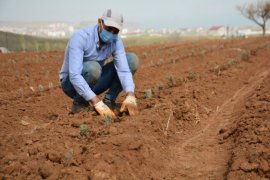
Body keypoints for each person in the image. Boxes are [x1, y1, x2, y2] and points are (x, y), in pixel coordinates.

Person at [59, 9, 139, 118]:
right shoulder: (80, 37)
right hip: (71, 84)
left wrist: (130, 95)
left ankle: (109, 101)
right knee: (93, 68)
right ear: (100, 22)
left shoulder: (116, 42)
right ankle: (80, 103)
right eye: (109, 28)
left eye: (115, 31)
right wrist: (96, 102)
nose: (111, 33)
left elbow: (124, 70)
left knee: (131, 60)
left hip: (95, 80)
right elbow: (74, 75)